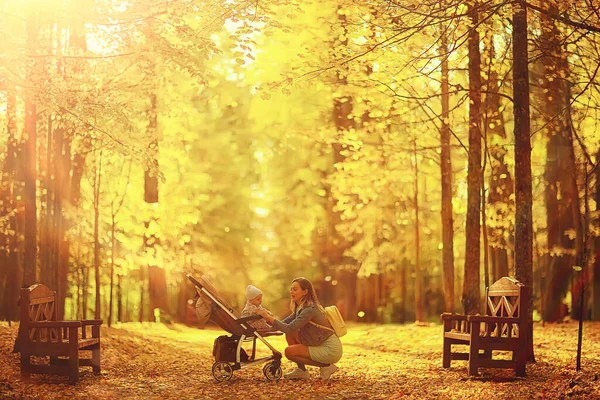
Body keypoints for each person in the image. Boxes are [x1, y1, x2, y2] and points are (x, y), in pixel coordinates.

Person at [256, 277, 343, 380]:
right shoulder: (300, 307)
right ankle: (302, 371)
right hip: (319, 343)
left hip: (330, 349)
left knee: (289, 352)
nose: (292, 292)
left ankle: (327, 367)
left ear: (305, 291)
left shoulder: (310, 309)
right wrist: (266, 330)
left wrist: (267, 317)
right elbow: (285, 323)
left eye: (295, 289)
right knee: (290, 335)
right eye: (291, 289)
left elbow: (289, 328)